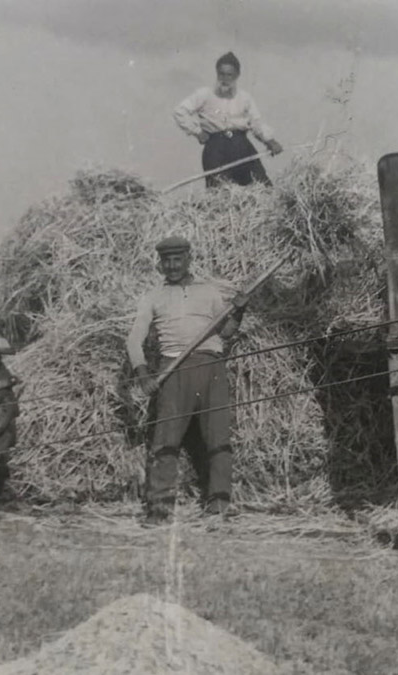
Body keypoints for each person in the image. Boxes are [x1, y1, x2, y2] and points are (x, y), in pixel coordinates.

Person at [127, 236, 249, 524]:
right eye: (166, 261)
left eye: (177, 259)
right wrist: (143, 373)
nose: (172, 266)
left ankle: (218, 506)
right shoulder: (152, 297)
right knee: (165, 441)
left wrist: (240, 310)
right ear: (160, 264)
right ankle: (159, 510)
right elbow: (134, 339)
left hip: (211, 367)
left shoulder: (208, 292)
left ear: (188, 259)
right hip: (173, 370)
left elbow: (227, 332)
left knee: (218, 438)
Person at [173, 52, 284, 188]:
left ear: (237, 75)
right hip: (215, 149)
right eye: (221, 74)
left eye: (229, 75)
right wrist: (197, 132)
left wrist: (270, 141)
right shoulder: (205, 94)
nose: (224, 79)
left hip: (242, 147)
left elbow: (256, 123)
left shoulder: (244, 98)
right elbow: (180, 111)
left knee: (262, 187)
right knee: (220, 193)